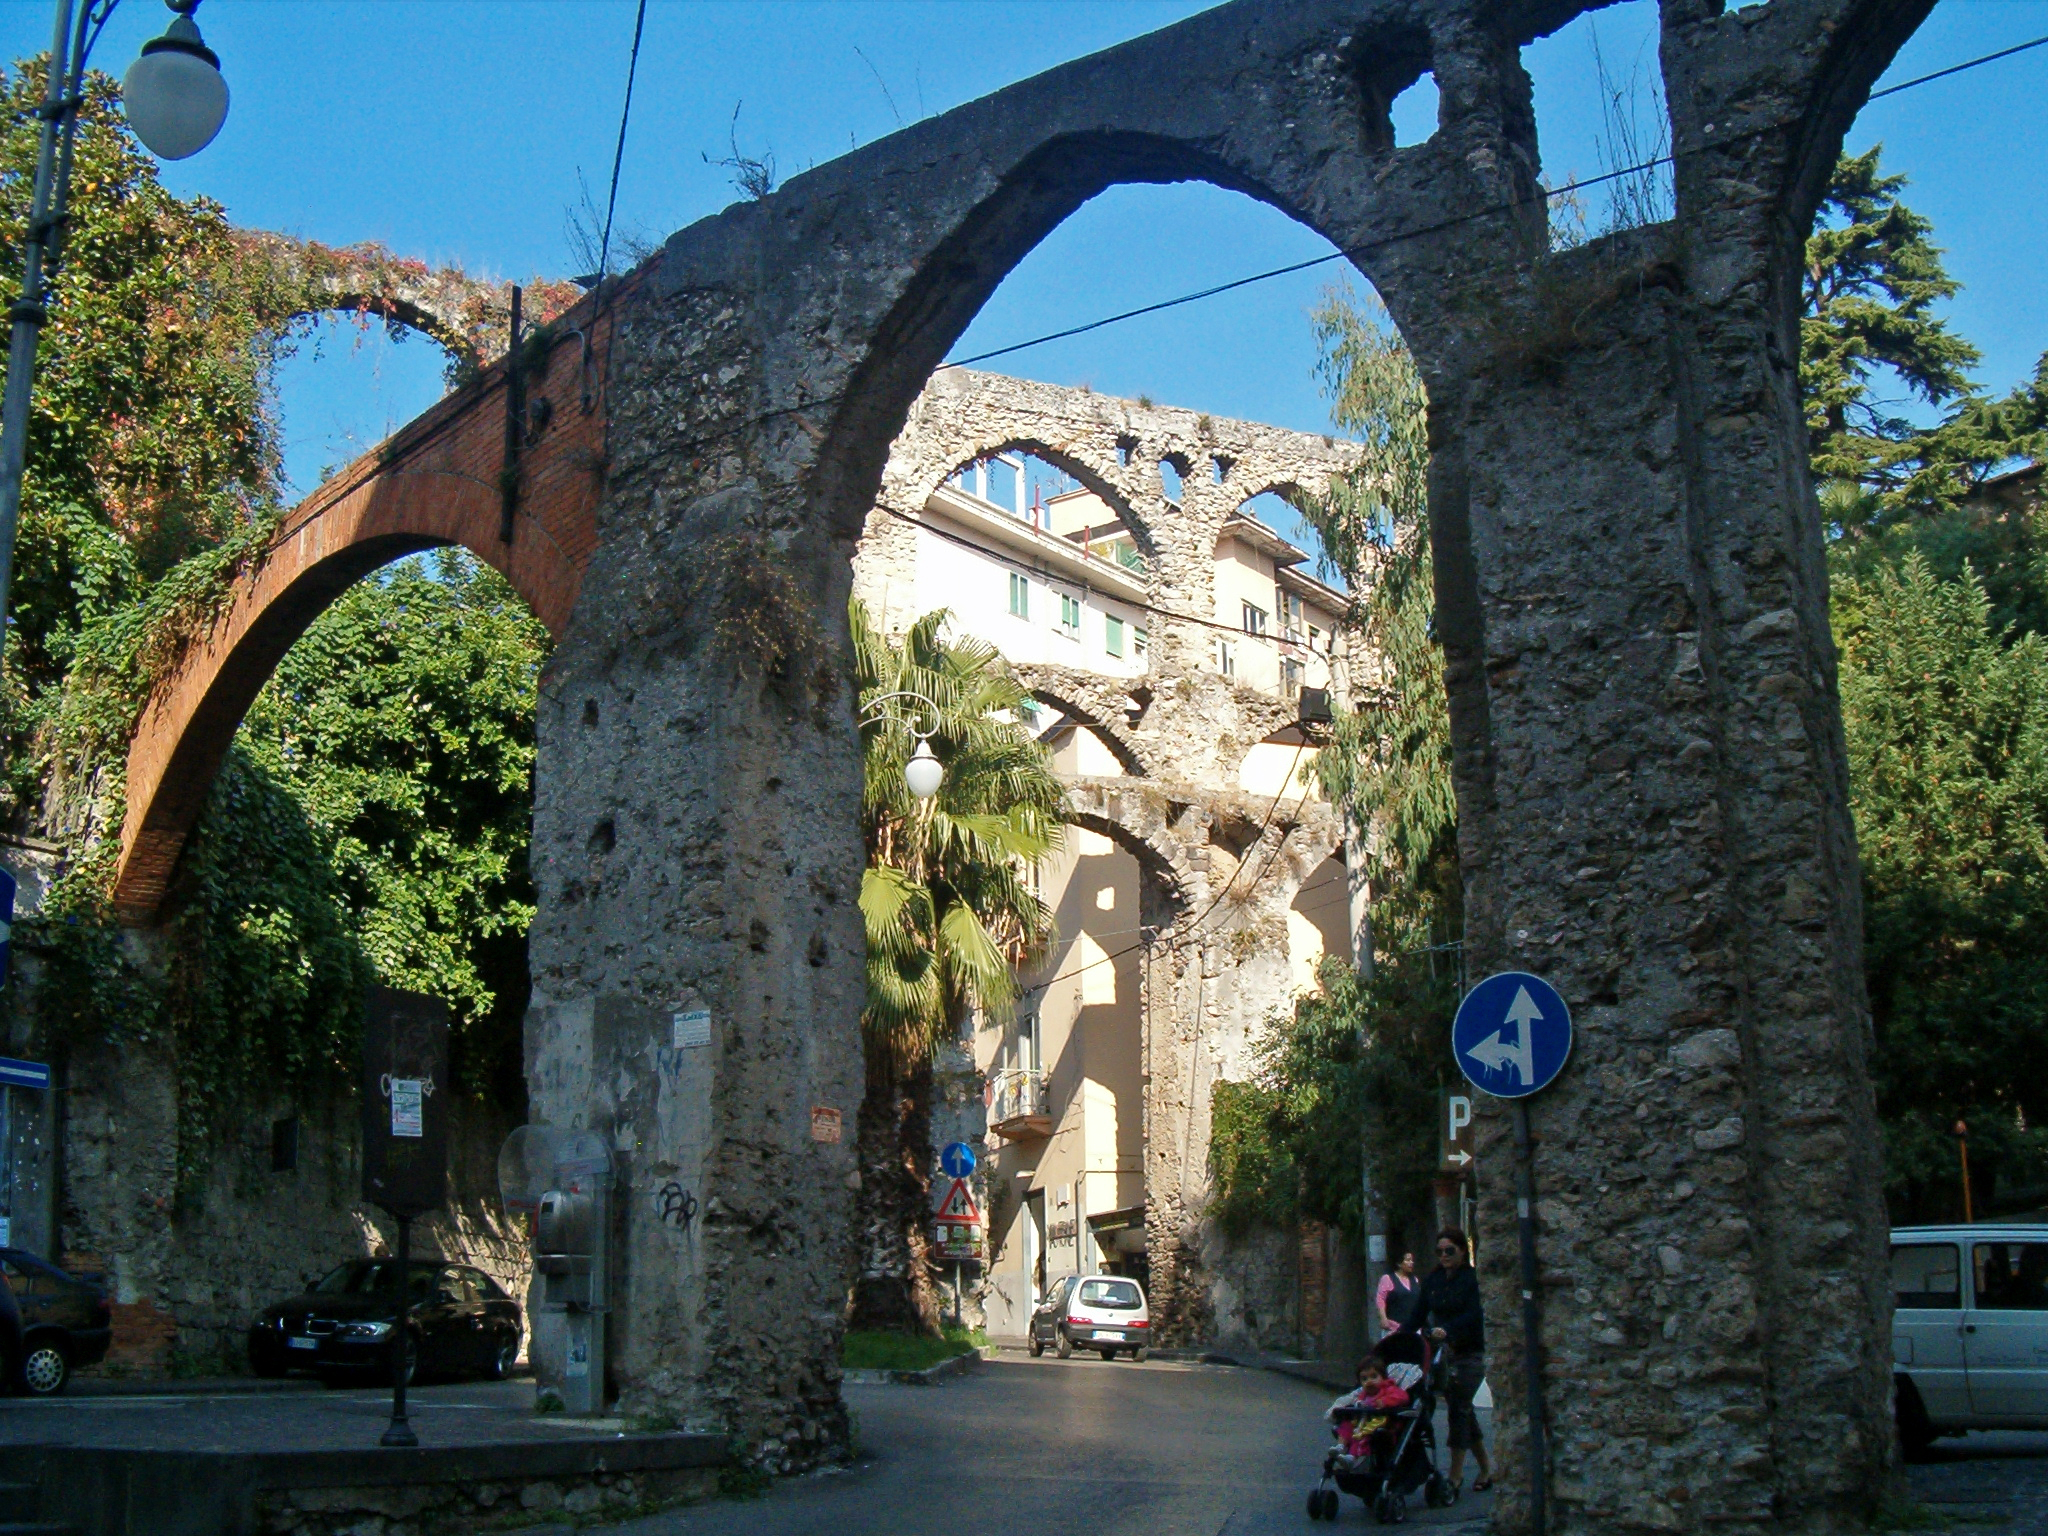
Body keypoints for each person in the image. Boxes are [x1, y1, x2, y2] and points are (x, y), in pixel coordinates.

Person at [1418, 1227, 1492, 1494]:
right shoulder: (1434, 1280)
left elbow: (1474, 1314)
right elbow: (1419, 1312)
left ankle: (1455, 1474)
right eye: (1440, 1251)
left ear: (1462, 1251)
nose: (1444, 1256)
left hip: (1470, 1352)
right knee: (1463, 1409)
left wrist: (1448, 1329)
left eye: (1450, 1250)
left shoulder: (1471, 1280)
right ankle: (1486, 1467)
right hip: (1445, 1356)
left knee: (1458, 1408)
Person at [1328, 1353, 1409, 1459]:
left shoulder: (1389, 1389)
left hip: (1381, 1422)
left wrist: (1385, 1402)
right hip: (1363, 1420)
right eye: (1364, 1379)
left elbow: (1403, 1397)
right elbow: (1359, 1403)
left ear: (1383, 1377)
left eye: (1374, 1376)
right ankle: (1341, 1446)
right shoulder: (1364, 1394)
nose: (1369, 1381)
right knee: (1346, 1425)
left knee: (1363, 1434)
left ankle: (1352, 1457)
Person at [1376, 1249, 1421, 1339]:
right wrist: (1383, 1318)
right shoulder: (1388, 1278)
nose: (1411, 1263)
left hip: (1412, 1327)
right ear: (1399, 1263)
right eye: (1408, 1260)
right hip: (1393, 1327)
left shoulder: (1415, 1280)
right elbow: (1380, 1299)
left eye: (1412, 1260)